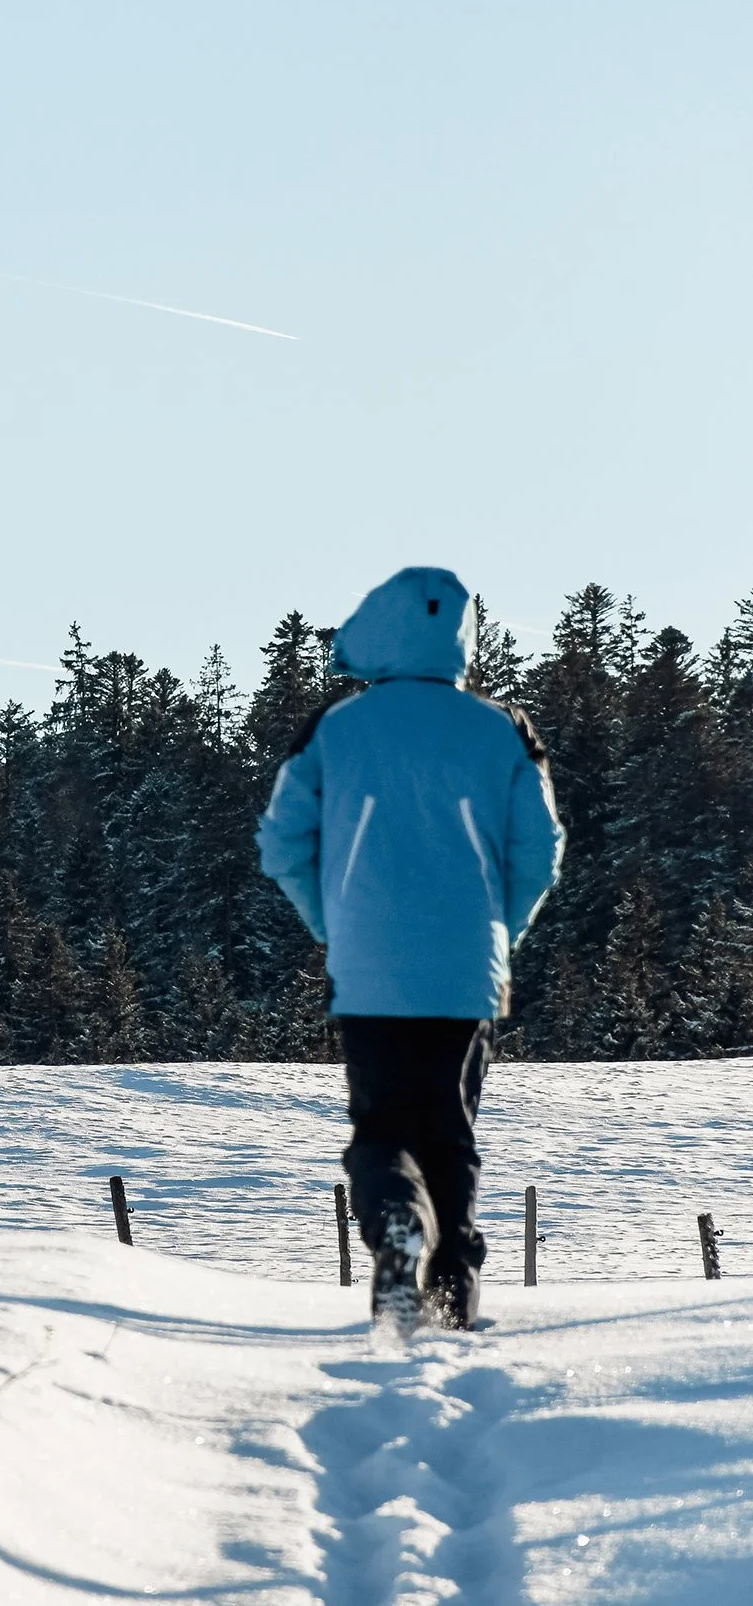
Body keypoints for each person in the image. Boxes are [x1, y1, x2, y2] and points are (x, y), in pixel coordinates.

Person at [256, 567, 565, 1332]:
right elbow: (539, 853)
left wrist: (333, 924)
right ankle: (451, 1289)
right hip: (466, 972)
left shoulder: (336, 729)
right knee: (449, 1132)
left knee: (383, 1128)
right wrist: (501, 932)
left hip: (368, 971)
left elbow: (281, 843)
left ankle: (396, 1220)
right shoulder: (502, 730)